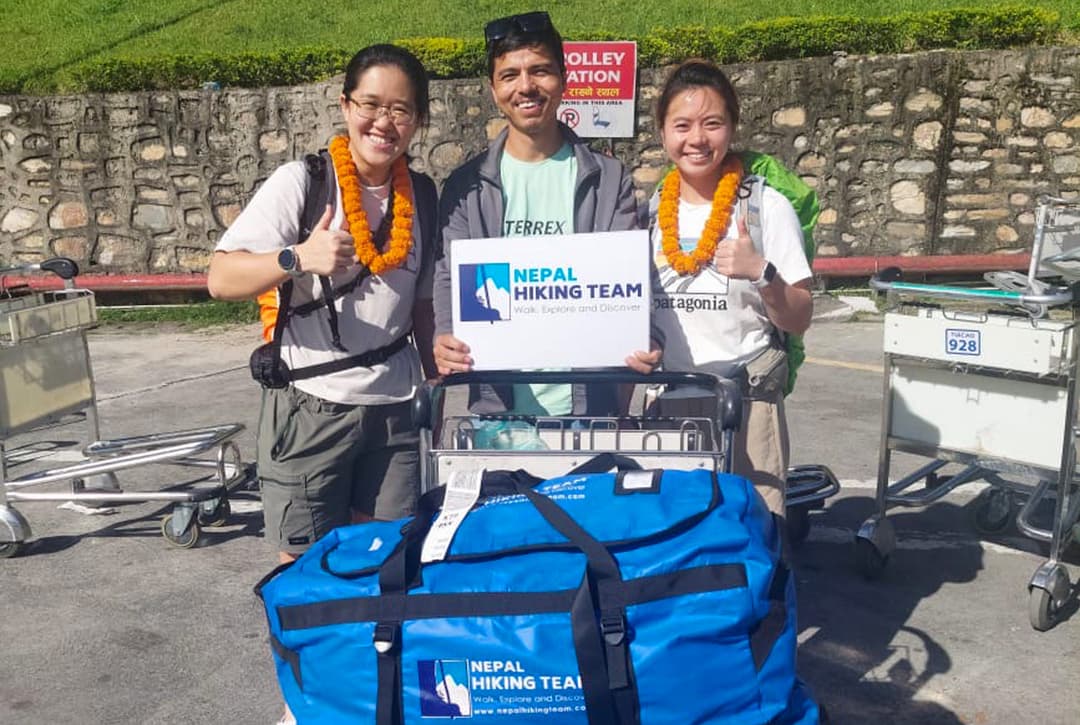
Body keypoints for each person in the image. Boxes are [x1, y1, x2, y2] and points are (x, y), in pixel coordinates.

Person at [207, 43, 438, 570]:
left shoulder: (422, 196)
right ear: (345, 106)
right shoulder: (304, 182)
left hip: (396, 409)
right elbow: (221, 278)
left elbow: (421, 305)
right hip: (313, 405)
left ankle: (372, 655)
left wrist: (437, 388)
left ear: (419, 121)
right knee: (307, 568)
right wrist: (297, 257)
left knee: (387, 560)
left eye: (400, 110)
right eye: (370, 105)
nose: (384, 122)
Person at [432, 10, 659, 416]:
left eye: (540, 71)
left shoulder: (608, 178)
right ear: (492, 88)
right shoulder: (465, 186)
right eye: (510, 75)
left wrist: (645, 335)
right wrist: (445, 337)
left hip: (590, 412)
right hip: (496, 415)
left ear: (564, 78)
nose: (526, 87)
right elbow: (451, 280)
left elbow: (629, 279)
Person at [647, 59, 813, 516]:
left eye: (711, 124)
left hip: (747, 400)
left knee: (758, 530)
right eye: (681, 125)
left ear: (732, 128)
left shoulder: (765, 206)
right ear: (662, 133)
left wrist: (762, 272)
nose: (696, 139)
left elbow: (800, 316)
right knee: (677, 532)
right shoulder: (650, 210)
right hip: (670, 403)